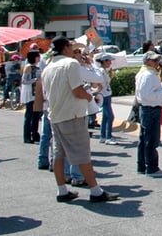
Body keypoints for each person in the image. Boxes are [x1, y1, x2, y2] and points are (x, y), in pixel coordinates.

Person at [40, 36, 118, 203]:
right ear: (65, 48)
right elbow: (77, 91)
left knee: (58, 154)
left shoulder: (48, 67)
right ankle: (95, 191)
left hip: (55, 115)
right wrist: (89, 97)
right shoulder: (70, 64)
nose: (74, 50)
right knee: (82, 154)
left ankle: (62, 190)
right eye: (71, 47)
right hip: (72, 114)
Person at [135, 51, 162, 177]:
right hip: (150, 108)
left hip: (147, 108)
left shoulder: (146, 73)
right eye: (154, 60)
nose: (157, 62)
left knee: (144, 139)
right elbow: (147, 95)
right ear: (147, 61)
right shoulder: (148, 75)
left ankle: (142, 165)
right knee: (151, 139)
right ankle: (151, 167)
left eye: (157, 60)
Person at [94, 53, 117, 145]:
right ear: (104, 61)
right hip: (104, 95)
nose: (110, 62)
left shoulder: (104, 70)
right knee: (111, 117)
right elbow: (99, 82)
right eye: (109, 61)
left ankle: (103, 136)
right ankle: (109, 137)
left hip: (106, 94)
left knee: (105, 117)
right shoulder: (100, 71)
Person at [21, 49, 42, 144]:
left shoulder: (37, 67)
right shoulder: (28, 67)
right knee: (29, 115)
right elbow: (24, 81)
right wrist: (34, 80)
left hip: (36, 93)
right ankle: (27, 136)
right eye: (38, 56)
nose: (39, 57)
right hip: (30, 93)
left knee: (36, 116)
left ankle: (35, 134)